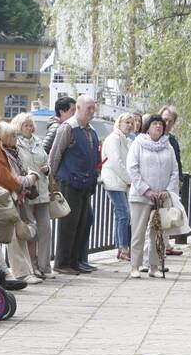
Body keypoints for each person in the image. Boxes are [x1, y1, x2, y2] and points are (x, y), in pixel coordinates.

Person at [0, 112, 36, 283]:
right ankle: (20, 271)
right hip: (5, 193)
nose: (15, 137)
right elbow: (1, 173)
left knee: (16, 233)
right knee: (11, 234)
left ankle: (23, 270)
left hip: (7, 192)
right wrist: (19, 186)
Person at [49, 95, 100, 275]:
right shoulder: (68, 128)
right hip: (70, 182)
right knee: (68, 224)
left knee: (82, 222)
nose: (92, 112)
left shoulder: (90, 130)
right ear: (78, 108)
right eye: (89, 109)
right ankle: (62, 263)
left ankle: (76, 260)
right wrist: (52, 180)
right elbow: (55, 155)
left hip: (85, 183)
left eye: (94, 109)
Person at [126, 115, 180, 278]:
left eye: (160, 124)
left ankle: (154, 266)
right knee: (138, 231)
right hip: (141, 196)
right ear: (147, 127)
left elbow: (174, 171)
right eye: (155, 124)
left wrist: (168, 190)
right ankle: (135, 265)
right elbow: (132, 169)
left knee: (159, 233)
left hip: (162, 197)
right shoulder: (138, 144)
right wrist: (146, 190)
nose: (158, 127)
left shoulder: (168, 146)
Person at [13, 112, 53, 279]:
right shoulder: (16, 143)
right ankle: (32, 266)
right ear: (19, 127)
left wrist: (47, 169)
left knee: (45, 229)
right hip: (28, 191)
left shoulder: (37, 140)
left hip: (42, 190)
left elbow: (46, 160)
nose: (29, 128)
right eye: (25, 125)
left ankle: (45, 266)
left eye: (30, 125)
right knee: (31, 230)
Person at [101, 113, 135, 261]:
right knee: (124, 214)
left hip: (119, 181)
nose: (129, 125)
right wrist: (129, 179)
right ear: (119, 123)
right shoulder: (114, 138)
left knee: (121, 214)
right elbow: (116, 162)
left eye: (131, 123)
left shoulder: (125, 140)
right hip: (114, 181)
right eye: (127, 122)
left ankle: (121, 247)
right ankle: (123, 247)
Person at [158, 105, 185, 256]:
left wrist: (179, 179)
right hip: (155, 183)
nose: (167, 124)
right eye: (165, 120)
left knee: (168, 215)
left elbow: (177, 161)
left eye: (170, 121)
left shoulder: (172, 140)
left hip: (170, 184)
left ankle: (166, 244)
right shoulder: (151, 136)